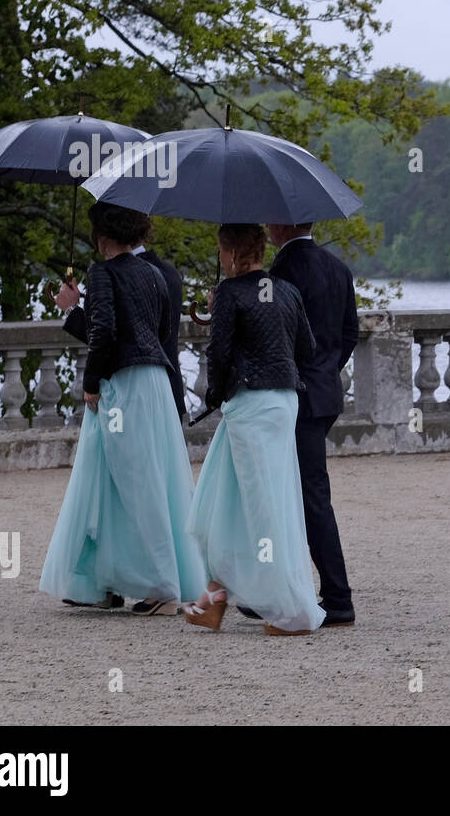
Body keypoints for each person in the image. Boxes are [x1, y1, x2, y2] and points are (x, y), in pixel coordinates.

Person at [40, 203, 206, 614]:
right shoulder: (155, 273)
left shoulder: (102, 272)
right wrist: (82, 309)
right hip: (154, 382)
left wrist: (91, 381)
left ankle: (159, 585)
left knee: (125, 481)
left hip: (124, 384)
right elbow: (151, 332)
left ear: (102, 236)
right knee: (141, 478)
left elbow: (107, 332)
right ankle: (109, 580)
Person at [183, 223, 324, 635]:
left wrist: (213, 395)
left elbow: (220, 353)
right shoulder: (286, 291)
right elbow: (307, 349)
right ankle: (214, 598)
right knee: (225, 498)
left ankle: (290, 611)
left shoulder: (230, 292)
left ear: (229, 253)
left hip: (250, 406)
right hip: (283, 402)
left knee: (263, 509)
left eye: (221, 252)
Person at [264, 222, 359, 628]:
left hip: (296, 395)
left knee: (306, 496)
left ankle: (337, 596)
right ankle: (277, 589)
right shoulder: (338, 268)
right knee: (305, 493)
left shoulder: (283, 271)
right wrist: (325, 371)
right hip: (325, 392)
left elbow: (274, 336)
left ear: (281, 224)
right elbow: (349, 333)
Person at [57, 222, 188, 419]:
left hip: (129, 391)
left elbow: (109, 338)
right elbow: (160, 334)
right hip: (168, 389)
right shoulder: (167, 272)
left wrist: (71, 310)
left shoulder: (108, 273)